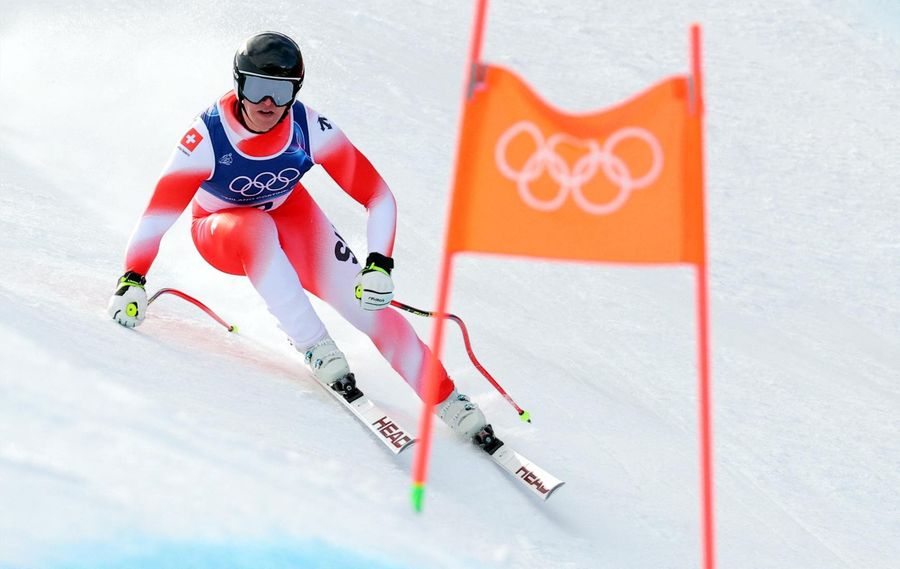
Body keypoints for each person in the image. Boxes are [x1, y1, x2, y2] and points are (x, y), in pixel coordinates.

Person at [107, 31, 486, 438]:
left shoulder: (310, 128)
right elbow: (156, 215)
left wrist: (379, 263)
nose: (267, 104)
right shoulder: (206, 138)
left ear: (295, 92)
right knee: (254, 228)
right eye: (257, 88)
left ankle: (446, 398)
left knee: (365, 303)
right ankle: (317, 346)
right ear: (238, 85)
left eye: (280, 91)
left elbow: (377, 195)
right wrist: (132, 278)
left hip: (288, 213)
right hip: (221, 230)